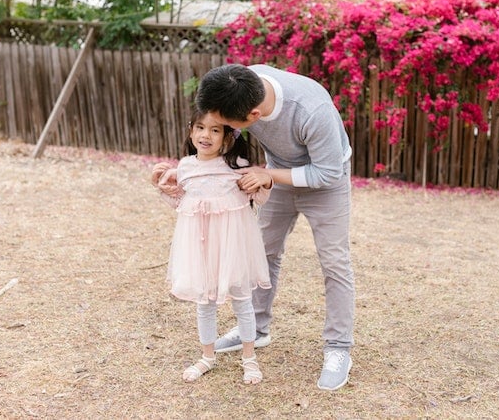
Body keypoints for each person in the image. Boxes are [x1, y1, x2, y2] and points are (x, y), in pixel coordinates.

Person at [195, 63, 355, 391]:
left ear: (254, 115)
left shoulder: (312, 110)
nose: (221, 128)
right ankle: (255, 328)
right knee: (262, 253)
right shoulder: (239, 84)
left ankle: (338, 348)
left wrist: (268, 174)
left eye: (227, 125)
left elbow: (327, 173)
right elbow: (216, 142)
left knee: (334, 263)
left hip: (327, 180)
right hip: (277, 172)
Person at [151, 109, 273, 385]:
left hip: (233, 245)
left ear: (227, 137)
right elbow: (181, 205)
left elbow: (261, 198)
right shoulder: (184, 167)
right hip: (199, 245)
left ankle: (249, 358)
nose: (206, 135)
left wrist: (265, 180)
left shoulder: (236, 166)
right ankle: (207, 356)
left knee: (242, 299)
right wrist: (161, 186)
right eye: (201, 128)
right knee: (204, 302)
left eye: (215, 130)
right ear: (191, 130)